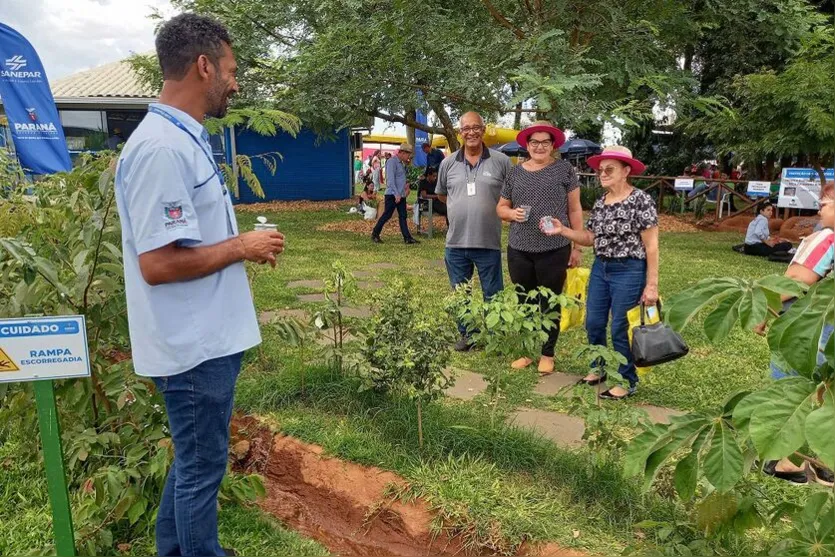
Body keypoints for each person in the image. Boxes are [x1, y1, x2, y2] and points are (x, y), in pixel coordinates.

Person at [114, 14, 285, 557]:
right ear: (204, 66)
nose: (235, 83)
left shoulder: (181, 140)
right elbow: (158, 264)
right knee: (202, 466)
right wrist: (243, 246)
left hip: (204, 338)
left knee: (194, 462)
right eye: (231, 70)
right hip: (193, 348)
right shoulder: (162, 149)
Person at [541, 146, 659, 400]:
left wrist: (652, 285)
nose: (602, 174)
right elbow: (590, 238)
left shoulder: (640, 200)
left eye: (609, 169)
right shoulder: (601, 202)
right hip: (601, 267)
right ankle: (599, 366)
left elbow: (652, 246)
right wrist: (563, 230)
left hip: (629, 269)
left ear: (626, 171)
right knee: (593, 321)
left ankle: (627, 380)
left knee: (619, 326)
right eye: (600, 170)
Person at [756, 183, 834, 485]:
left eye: (825, 204)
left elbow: (795, 281)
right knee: (821, 392)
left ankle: (787, 459)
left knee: (792, 389)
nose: (819, 209)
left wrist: (764, 311)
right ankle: (817, 461)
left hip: (810, 328)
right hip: (824, 328)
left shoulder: (827, 238)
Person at [496, 121, 583, 375]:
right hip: (519, 247)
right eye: (534, 142)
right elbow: (500, 208)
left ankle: (547, 353)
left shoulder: (564, 170)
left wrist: (577, 246)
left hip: (555, 248)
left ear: (553, 145)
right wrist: (512, 214)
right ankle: (525, 351)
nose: (540, 147)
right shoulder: (515, 173)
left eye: (545, 142)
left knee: (550, 301)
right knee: (524, 301)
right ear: (527, 145)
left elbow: (575, 209)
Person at [436, 112, 512, 351]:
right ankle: (467, 335)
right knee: (460, 293)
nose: (471, 132)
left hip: (488, 241)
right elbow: (441, 193)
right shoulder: (448, 163)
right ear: (460, 133)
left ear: (483, 129)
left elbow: (511, 195)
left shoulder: (501, 161)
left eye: (475, 127)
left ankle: (494, 337)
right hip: (456, 242)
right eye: (466, 128)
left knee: (493, 293)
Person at [371, 143, 419, 244]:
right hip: (392, 194)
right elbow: (390, 180)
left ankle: (407, 238)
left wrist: (405, 187)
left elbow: (399, 179)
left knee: (403, 215)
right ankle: (375, 233)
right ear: (402, 152)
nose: (408, 157)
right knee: (387, 215)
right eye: (407, 154)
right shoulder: (392, 162)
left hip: (400, 194)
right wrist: (396, 193)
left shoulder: (401, 163)